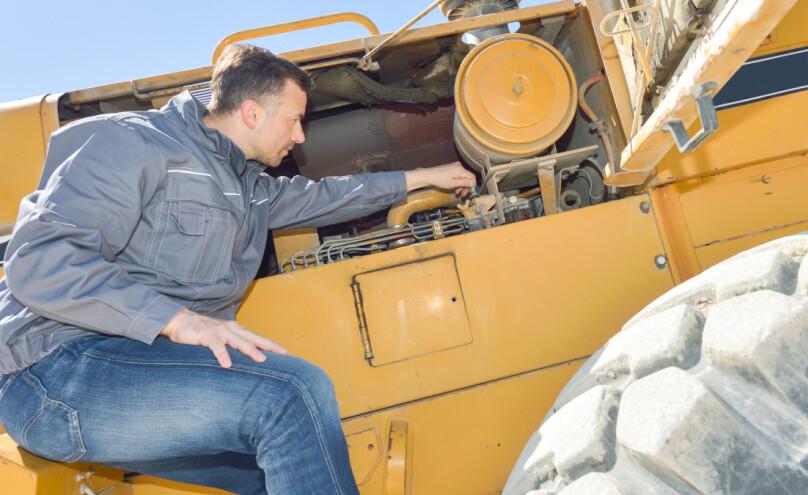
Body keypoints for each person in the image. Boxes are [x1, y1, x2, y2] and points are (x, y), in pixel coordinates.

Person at [0, 44, 475, 495]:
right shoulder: (132, 142)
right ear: (251, 112)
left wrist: (423, 177)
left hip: (130, 366)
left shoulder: (249, 188)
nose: (300, 136)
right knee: (291, 395)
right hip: (50, 372)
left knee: (266, 472)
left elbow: (327, 196)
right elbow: (41, 261)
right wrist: (179, 320)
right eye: (293, 121)